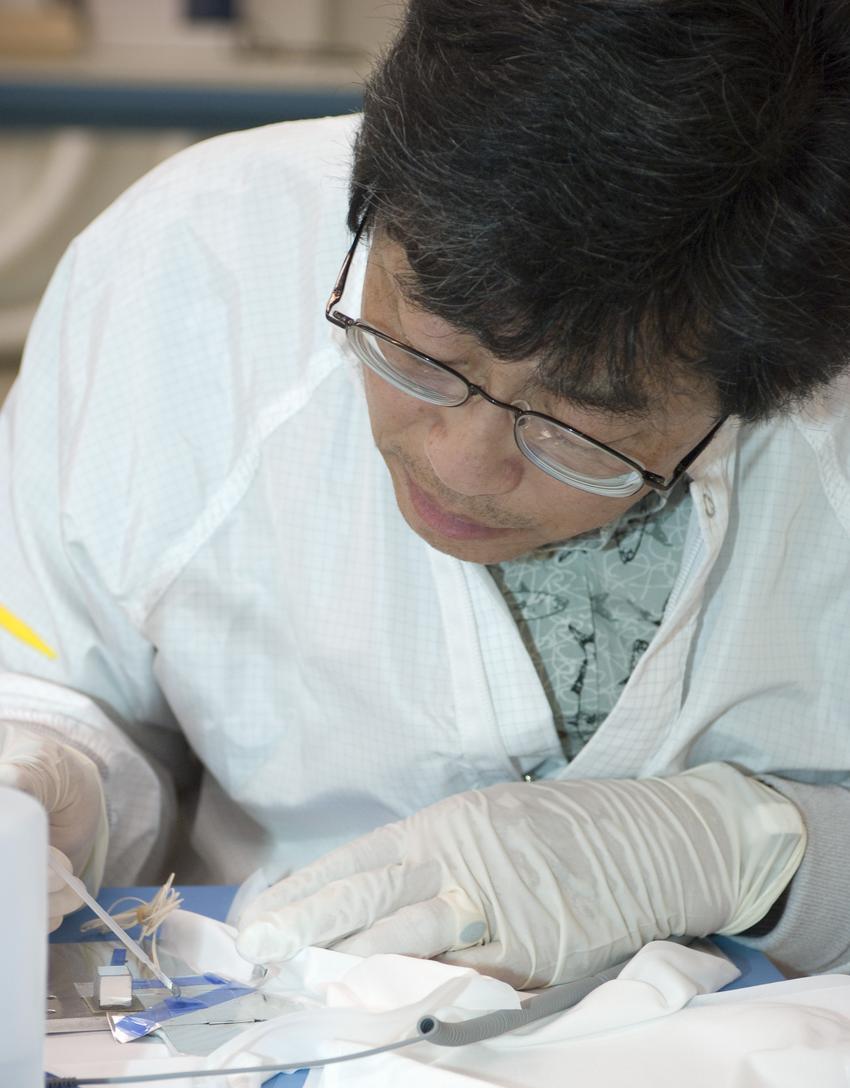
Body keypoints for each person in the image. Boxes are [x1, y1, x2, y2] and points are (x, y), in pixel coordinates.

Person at [1, 0, 849, 985]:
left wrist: (750, 847)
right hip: (264, 1045)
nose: (458, 463)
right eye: (423, 349)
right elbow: (51, 668)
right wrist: (40, 775)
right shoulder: (191, 266)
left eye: (583, 421)